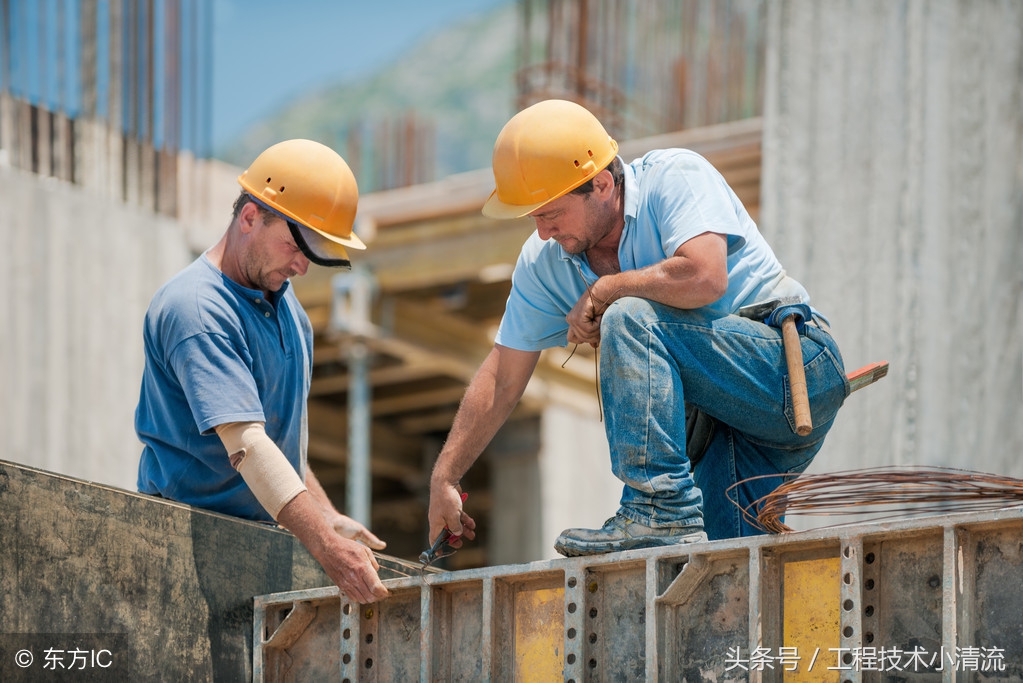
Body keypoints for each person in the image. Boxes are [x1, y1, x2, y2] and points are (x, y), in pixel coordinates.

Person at [428, 99, 849, 557]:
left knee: (628, 316)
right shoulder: (544, 261)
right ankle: (670, 520)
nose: (544, 232)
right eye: (535, 218)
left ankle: (658, 511)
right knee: (722, 570)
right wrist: (445, 476)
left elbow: (706, 276)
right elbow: (503, 377)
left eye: (551, 214)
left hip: (791, 371)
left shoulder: (674, 177)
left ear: (602, 184)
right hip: (724, 432)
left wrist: (608, 289)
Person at [136, 139, 390, 603]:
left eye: (313, 251)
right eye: (295, 245)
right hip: (182, 548)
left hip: (251, 547)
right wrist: (327, 547)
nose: (302, 266)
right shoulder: (198, 309)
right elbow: (248, 446)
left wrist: (326, 516)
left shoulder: (291, 315)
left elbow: (273, 444)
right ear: (250, 217)